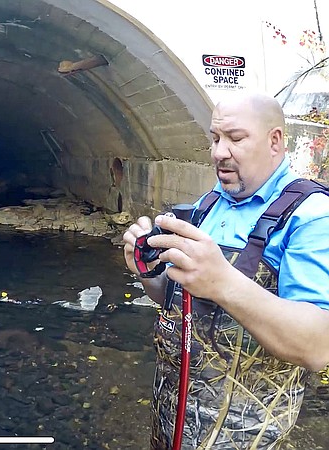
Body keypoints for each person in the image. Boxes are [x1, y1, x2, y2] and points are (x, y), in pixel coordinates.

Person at [122, 91, 329, 449]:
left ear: (275, 141)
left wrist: (223, 282)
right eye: (215, 139)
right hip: (169, 425)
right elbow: (177, 299)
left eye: (235, 138)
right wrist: (147, 270)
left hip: (245, 438)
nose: (219, 152)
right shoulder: (209, 203)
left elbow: (317, 347)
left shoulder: (311, 217)